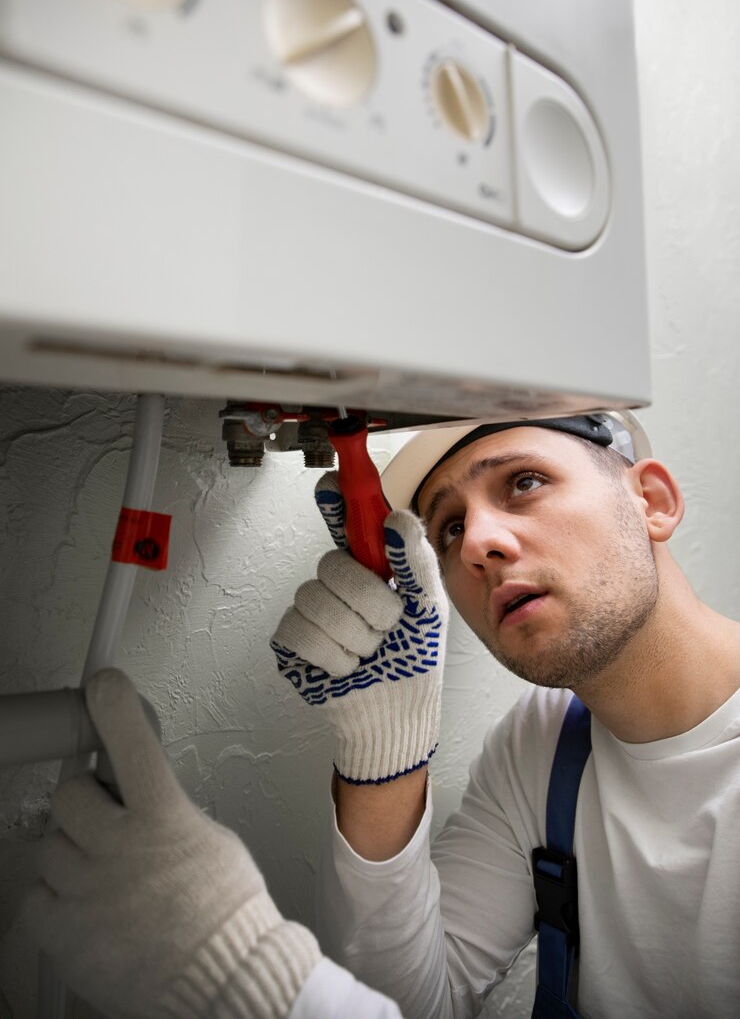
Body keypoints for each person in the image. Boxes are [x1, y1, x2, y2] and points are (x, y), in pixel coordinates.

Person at [24, 412, 740, 1018]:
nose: (481, 546)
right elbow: (410, 999)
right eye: (449, 529)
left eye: (523, 483)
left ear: (652, 501)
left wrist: (241, 970)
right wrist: (383, 754)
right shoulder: (545, 744)